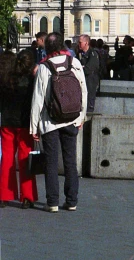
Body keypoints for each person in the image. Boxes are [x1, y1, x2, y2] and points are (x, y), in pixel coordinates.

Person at [30, 32, 87, 213]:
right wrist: (81, 117)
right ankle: (71, 201)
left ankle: (52, 202)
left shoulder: (44, 67)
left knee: (51, 162)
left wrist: (34, 126)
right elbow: (83, 92)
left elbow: (38, 99)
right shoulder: (75, 63)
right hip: (71, 118)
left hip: (50, 121)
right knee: (70, 161)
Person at [0, 49, 38, 208]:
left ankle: (4, 195)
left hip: (7, 122)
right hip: (24, 123)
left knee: (7, 158)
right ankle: (27, 196)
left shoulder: (7, 79)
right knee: (24, 159)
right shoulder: (30, 81)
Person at [77, 34, 101, 113]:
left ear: (86, 43)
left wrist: (81, 68)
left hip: (91, 80)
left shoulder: (93, 54)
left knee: (89, 99)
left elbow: (89, 69)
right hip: (81, 79)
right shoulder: (79, 53)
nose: (78, 44)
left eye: (80, 42)